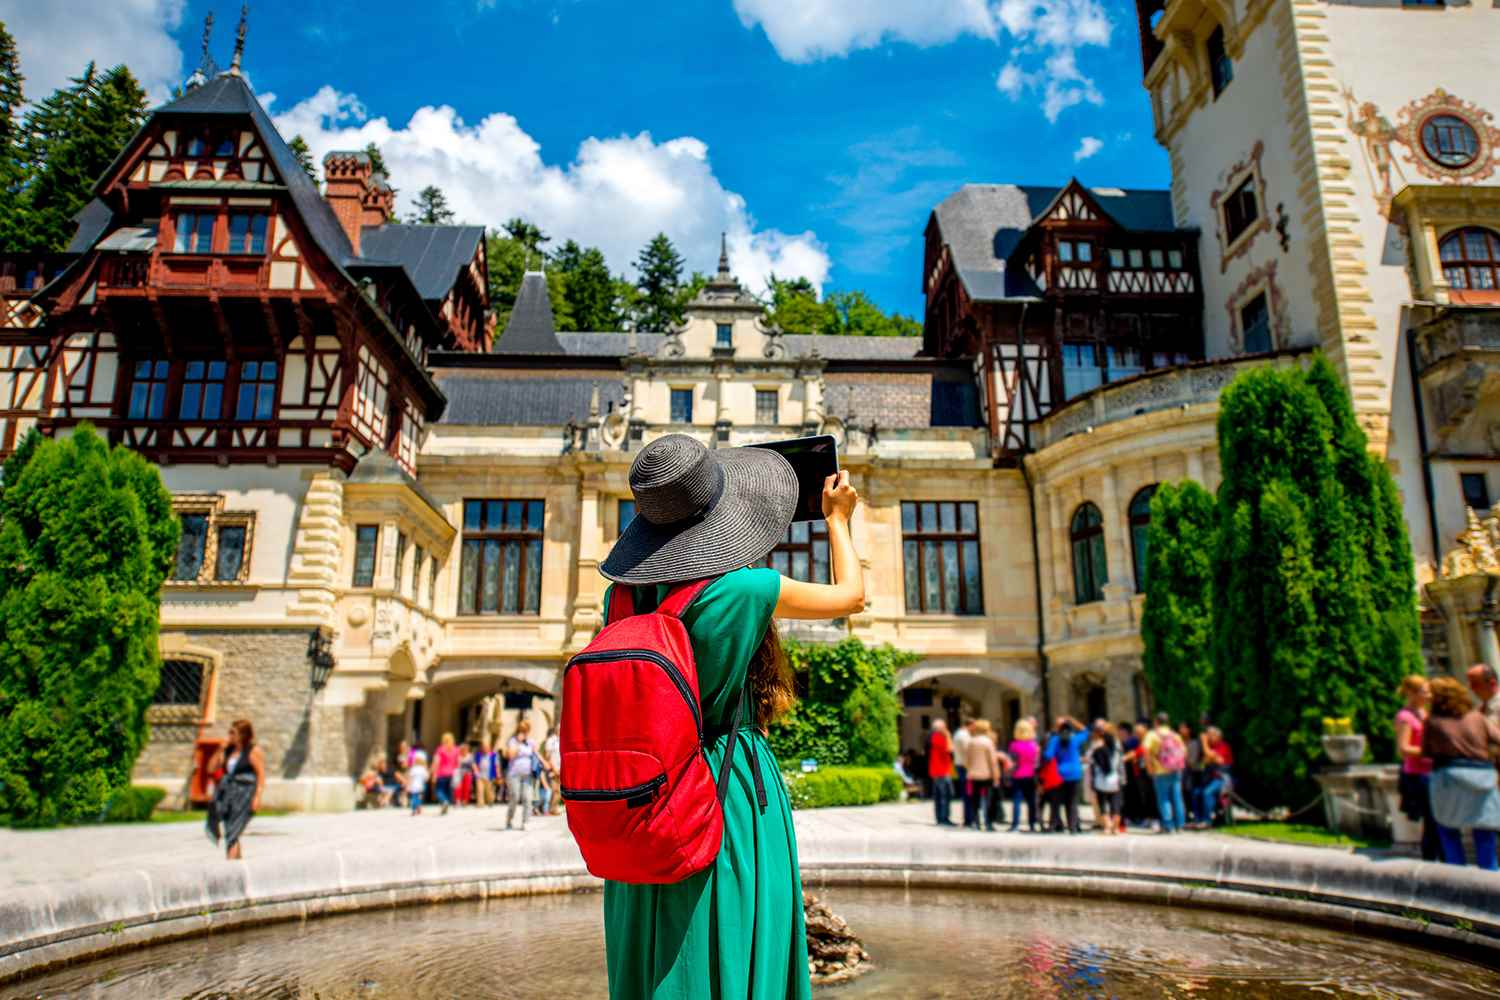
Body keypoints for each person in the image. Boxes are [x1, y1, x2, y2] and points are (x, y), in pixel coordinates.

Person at [597, 434, 864, 1000]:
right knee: (734, 921)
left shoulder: (618, 599)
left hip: (642, 792)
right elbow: (851, 596)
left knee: (652, 938)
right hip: (726, 780)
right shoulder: (744, 589)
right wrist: (837, 520)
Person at [1421, 677, 1500, 871]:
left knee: (1448, 829)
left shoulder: (1433, 721)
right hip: (1482, 776)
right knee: (1484, 831)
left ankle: (1456, 877)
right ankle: (1490, 876)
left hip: (1449, 778)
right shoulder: (1476, 717)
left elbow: (1426, 751)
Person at [1393, 675, 1440, 861]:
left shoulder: (1424, 713)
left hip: (1433, 771)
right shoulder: (1405, 717)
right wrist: (1430, 752)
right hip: (1419, 774)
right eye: (1424, 692)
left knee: (1438, 820)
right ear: (1411, 693)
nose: (1429, 695)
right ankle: (1430, 861)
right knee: (1432, 820)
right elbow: (1403, 749)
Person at [206, 719, 265, 860]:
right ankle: (236, 863)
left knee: (233, 830)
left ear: (242, 735)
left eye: (233, 733)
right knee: (230, 829)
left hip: (245, 795)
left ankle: (231, 863)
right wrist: (219, 749)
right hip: (229, 794)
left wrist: (257, 797)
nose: (229, 735)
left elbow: (261, 776)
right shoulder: (228, 751)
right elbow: (210, 769)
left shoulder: (253, 751)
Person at [1042, 716, 1088, 834]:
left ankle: (1053, 826)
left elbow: (1048, 755)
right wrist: (1073, 720)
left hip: (1060, 773)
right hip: (1075, 773)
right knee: (1072, 801)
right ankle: (1073, 827)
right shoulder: (1075, 739)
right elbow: (1086, 731)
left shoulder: (1055, 740)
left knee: (1055, 802)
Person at [1143, 712, 1187, 833]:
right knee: (1177, 797)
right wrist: (1176, 762)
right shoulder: (1174, 735)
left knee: (1163, 798)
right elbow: (1184, 750)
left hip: (1160, 770)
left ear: (1156, 722)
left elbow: (1145, 751)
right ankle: (1180, 825)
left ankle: (1168, 826)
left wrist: (1149, 767)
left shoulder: (1152, 734)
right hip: (1176, 770)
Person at [963, 719, 1002, 831]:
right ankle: (988, 823)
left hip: (973, 774)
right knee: (989, 799)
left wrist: (969, 770)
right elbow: (992, 761)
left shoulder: (971, 742)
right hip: (987, 775)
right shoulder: (988, 742)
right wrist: (996, 776)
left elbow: (967, 760)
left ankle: (976, 822)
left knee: (975, 799)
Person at [1193, 727, 1233, 829]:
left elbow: (1215, 758)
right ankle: (1198, 820)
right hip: (1211, 779)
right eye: (1207, 735)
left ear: (1218, 736)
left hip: (1222, 779)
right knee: (1196, 793)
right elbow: (1204, 762)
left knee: (1207, 792)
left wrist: (1204, 742)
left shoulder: (1223, 746)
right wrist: (1208, 754)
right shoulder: (1210, 748)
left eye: (1210, 735)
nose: (1209, 737)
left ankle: (1207, 821)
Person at [1090, 723, 1124, 835]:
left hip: (1101, 779)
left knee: (1102, 803)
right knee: (1116, 803)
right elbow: (1120, 764)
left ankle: (1107, 827)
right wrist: (1123, 778)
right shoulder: (1117, 747)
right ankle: (1115, 827)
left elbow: (1092, 761)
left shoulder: (1098, 747)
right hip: (1115, 778)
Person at [504, 720, 540, 830]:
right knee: (514, 797)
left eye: (526, 730)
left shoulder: (531, 741)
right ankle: (509, 820)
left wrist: (545, 763)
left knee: (527, 798)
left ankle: (526, 821)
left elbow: (536, 753)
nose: (524, 733)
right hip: (514, 774)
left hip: (527, 774)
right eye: (522, 730)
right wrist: (519, 743)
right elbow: (510, 755)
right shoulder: (512, 741)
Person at [1007, 719, 1039, 832]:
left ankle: (1015, 824)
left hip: (1017, 775)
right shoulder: (1034, 745)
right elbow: (1036, 761)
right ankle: (1032, 824)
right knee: (1031, 801)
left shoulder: (1013, 745)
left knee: (1016, 801)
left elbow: (1012, 762)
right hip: (1031, 775)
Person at [926, 719, 956, 826]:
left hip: (936, 770)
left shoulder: (932, 737)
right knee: (945, 795)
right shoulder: (939, 737)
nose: (946, 729)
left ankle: (940, 818)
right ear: (940, 728)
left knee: (939, 796)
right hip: (942, 771)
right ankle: (944, 819)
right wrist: (948, 736)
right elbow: (950, 749)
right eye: (944, 727)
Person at [432, 732, 460, 816]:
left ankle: (444, 802)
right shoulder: (456, 749)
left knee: (439, 790)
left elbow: (436, 762)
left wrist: (434, 774)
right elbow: (458, 763)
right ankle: (445, 805)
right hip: (451, 774)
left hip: (441, 774)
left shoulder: (440, 749)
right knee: (447, 791)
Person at [953, 719, 974, 828]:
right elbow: (967, 752)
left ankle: (968, 818)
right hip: (964, 766)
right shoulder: (964, 735)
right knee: (968, 793)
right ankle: (969, 819)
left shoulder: (958, 734)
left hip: (959, 764)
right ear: (970, 725)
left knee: (966, 793)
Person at [545, 726, 564, 815]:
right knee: (554, 790)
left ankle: (553, 809)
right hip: (553, 769)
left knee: (559, 791)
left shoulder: (562, 740)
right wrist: (554, 768)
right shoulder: (551, 741)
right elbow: (547, 756)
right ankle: (550, 809)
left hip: (561, 769)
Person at [474, 740, 497, 807]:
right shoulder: (478, 754)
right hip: (480, 775)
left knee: (489, 790)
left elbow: (496, 765)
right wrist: (476, 771)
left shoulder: (493, 755)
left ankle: (490, 801)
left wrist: (498, 774)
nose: (485, 749)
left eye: (486, 747)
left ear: (489, 748)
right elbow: (475, 763)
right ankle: (480, 803)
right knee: (479, 790)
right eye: (483, 747)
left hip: (489, 775)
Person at [407, 749, 430, 815]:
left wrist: (409, 785)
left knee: (414, 797)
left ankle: (414, 808)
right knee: (419, 797)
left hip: (414, 786)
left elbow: (410, 777)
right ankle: (418, 808)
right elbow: (426, 778)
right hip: (421, 786)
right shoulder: (423, 769)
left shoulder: (413, 768)